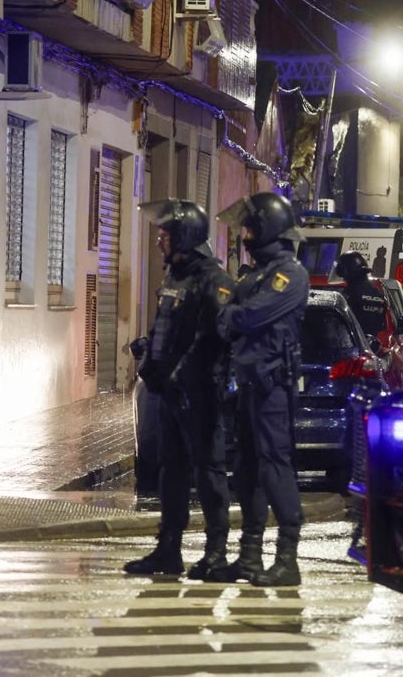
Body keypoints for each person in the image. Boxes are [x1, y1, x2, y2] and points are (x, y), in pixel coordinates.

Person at [125, 199, 234, 580]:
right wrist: (150, 363)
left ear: (185, 237)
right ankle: (168, 549)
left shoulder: (214, 280)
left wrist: (184, 374)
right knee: (170, 473)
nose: (159, 243)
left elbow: (215, 337)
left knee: (208, 473)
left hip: (201, 394)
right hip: (170, 395)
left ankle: (215, 553)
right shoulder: (173, 276)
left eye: (165, 235)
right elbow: (163, 330)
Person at [212, 191, 310, 587]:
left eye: (250, 227)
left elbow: (248, 316)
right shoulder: (254, 275)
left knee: (274, 467)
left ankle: (288, 559)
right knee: (247, 470)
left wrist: (233, 314)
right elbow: (226, 317)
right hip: (248, 385)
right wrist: (232, 314)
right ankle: (249, 556)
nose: (245, 235)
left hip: (273, 387)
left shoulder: (291, 275)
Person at [335, 250, 387, 338]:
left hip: (351, 344)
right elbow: (382, 324)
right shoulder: (379, 295)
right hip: (372, 345)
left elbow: (338, 326)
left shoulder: (349, 296)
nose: (344, 279)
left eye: (343, 275)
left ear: (348, 272)